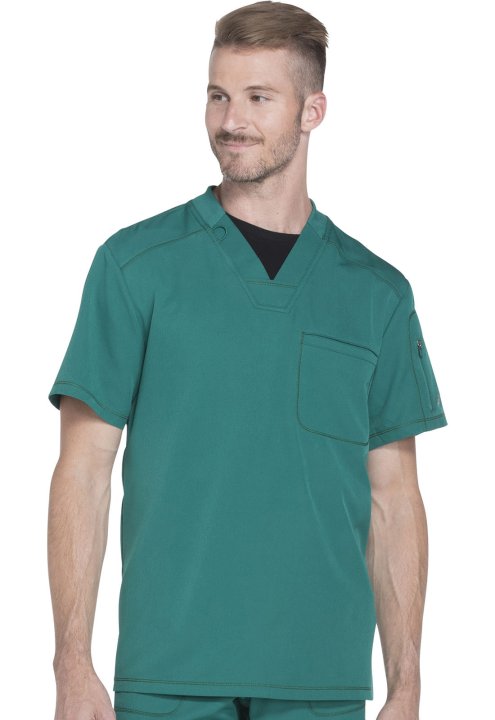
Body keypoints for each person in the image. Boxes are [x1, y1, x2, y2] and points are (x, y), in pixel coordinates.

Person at [47, 2, 448, 719]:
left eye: (258, 98)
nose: (230, 120)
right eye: (217, 95)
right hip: (166, 675)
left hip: (320, 682)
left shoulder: (376, 294)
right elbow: (83, 471)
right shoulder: (135, 266)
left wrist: (408, 686)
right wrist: (72, 664)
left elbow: (394, 501)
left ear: (312, 110)